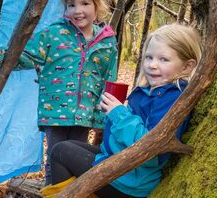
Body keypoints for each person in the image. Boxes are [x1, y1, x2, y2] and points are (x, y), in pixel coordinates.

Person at [40, 24, 202, 198]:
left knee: (61, 152)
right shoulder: (150, 92)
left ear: (187, 67)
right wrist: (109, 114)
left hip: (130, 181)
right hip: (121, 164)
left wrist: (118, 113)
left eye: (164, 59)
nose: (152, 65)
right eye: (149, 57)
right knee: (65, 147)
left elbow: (149, 146)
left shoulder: (172, 98)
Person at [0, 0, 118, 185]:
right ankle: (52, 191)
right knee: (56, 155)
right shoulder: (55, 35)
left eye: (84, 3)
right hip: (55, 111)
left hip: (85, 113)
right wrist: (0, 57)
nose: (77, 11)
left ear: (97, 5)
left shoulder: (106, 43)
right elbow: (27, 53)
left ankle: (71, 192)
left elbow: (109, 80)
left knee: (76, 157)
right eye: (71, 5)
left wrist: (105, 115)